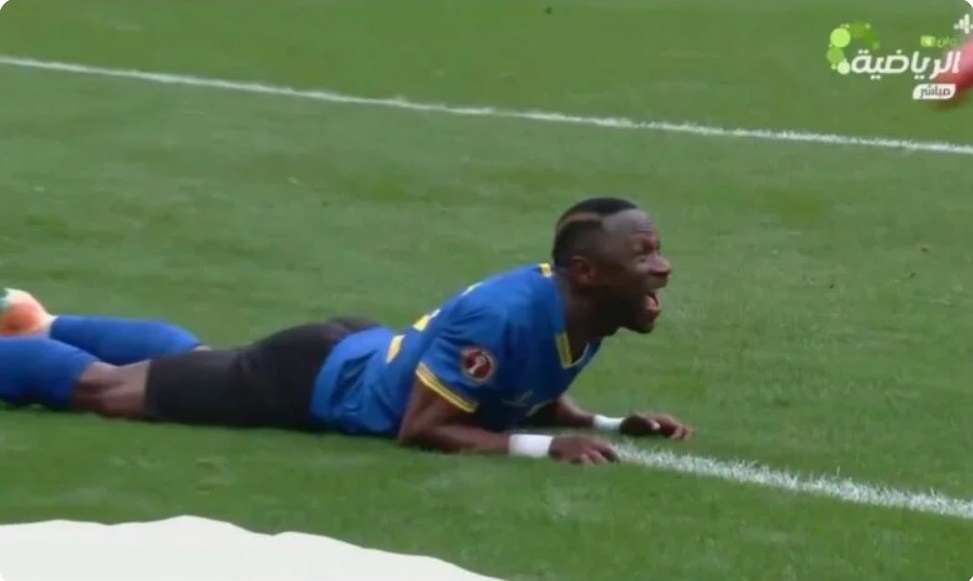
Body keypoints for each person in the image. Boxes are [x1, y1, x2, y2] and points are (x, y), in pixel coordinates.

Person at [0, 197, 691, 465]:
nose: (660, 267)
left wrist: (607, 422)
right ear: (585, 271)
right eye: (642, 255)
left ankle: (40, 322)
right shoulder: (508, 315)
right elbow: (421, 428)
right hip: (308, 380)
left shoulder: (581, 311)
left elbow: (524, 386)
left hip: (354, 352)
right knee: (109, 391)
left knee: (200, 364)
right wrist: (546, 449)